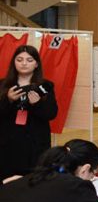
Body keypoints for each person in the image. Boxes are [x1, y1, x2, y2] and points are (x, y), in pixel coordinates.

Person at [0, 45, 58, 179]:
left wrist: (37, 104)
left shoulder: (45, 86)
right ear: (14, 62)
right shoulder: (3, 85)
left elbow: (51, 114)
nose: (24, 63)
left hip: (35, 144)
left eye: (29, 60)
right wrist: (7, 100)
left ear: (36, 64)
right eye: (19, 59)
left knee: (34, 182)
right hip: (7, 144)